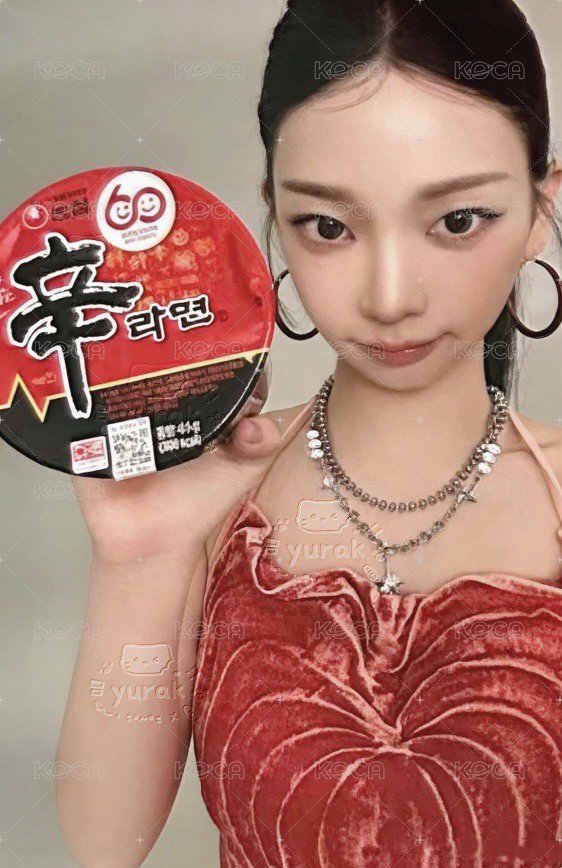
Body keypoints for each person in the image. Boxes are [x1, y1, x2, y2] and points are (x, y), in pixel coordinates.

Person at [56, 0, 562, 864]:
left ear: (541, 208)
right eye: (328, 226)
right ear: (273, 219)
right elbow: (103, 844)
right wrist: (136, 558)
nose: (390, 296)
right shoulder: (210, 492)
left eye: (457, 220)